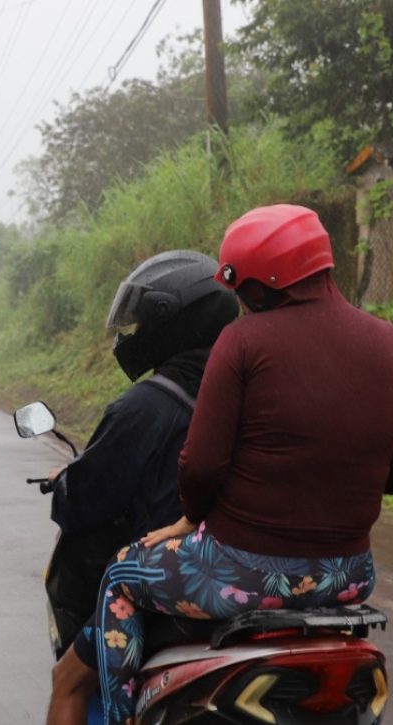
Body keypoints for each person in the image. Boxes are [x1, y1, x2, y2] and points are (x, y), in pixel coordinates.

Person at [83, 204, 393, 725]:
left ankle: (122, 718)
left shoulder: (243, 341)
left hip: (241, 570)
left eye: (241, 284)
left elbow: (202, 465)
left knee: (120, 575)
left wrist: (190, 518)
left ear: (265, 283)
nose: (239, 298)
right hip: (349, 576)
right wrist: (343, 470)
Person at [44, 250, 239, 723]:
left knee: (68, 681)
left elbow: (84, 503)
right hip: (258, 579)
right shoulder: (248, 391)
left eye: (145, 324)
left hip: (176, 586)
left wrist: (65, 485)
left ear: (176, 325)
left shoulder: (146, 407)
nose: (135, 337)